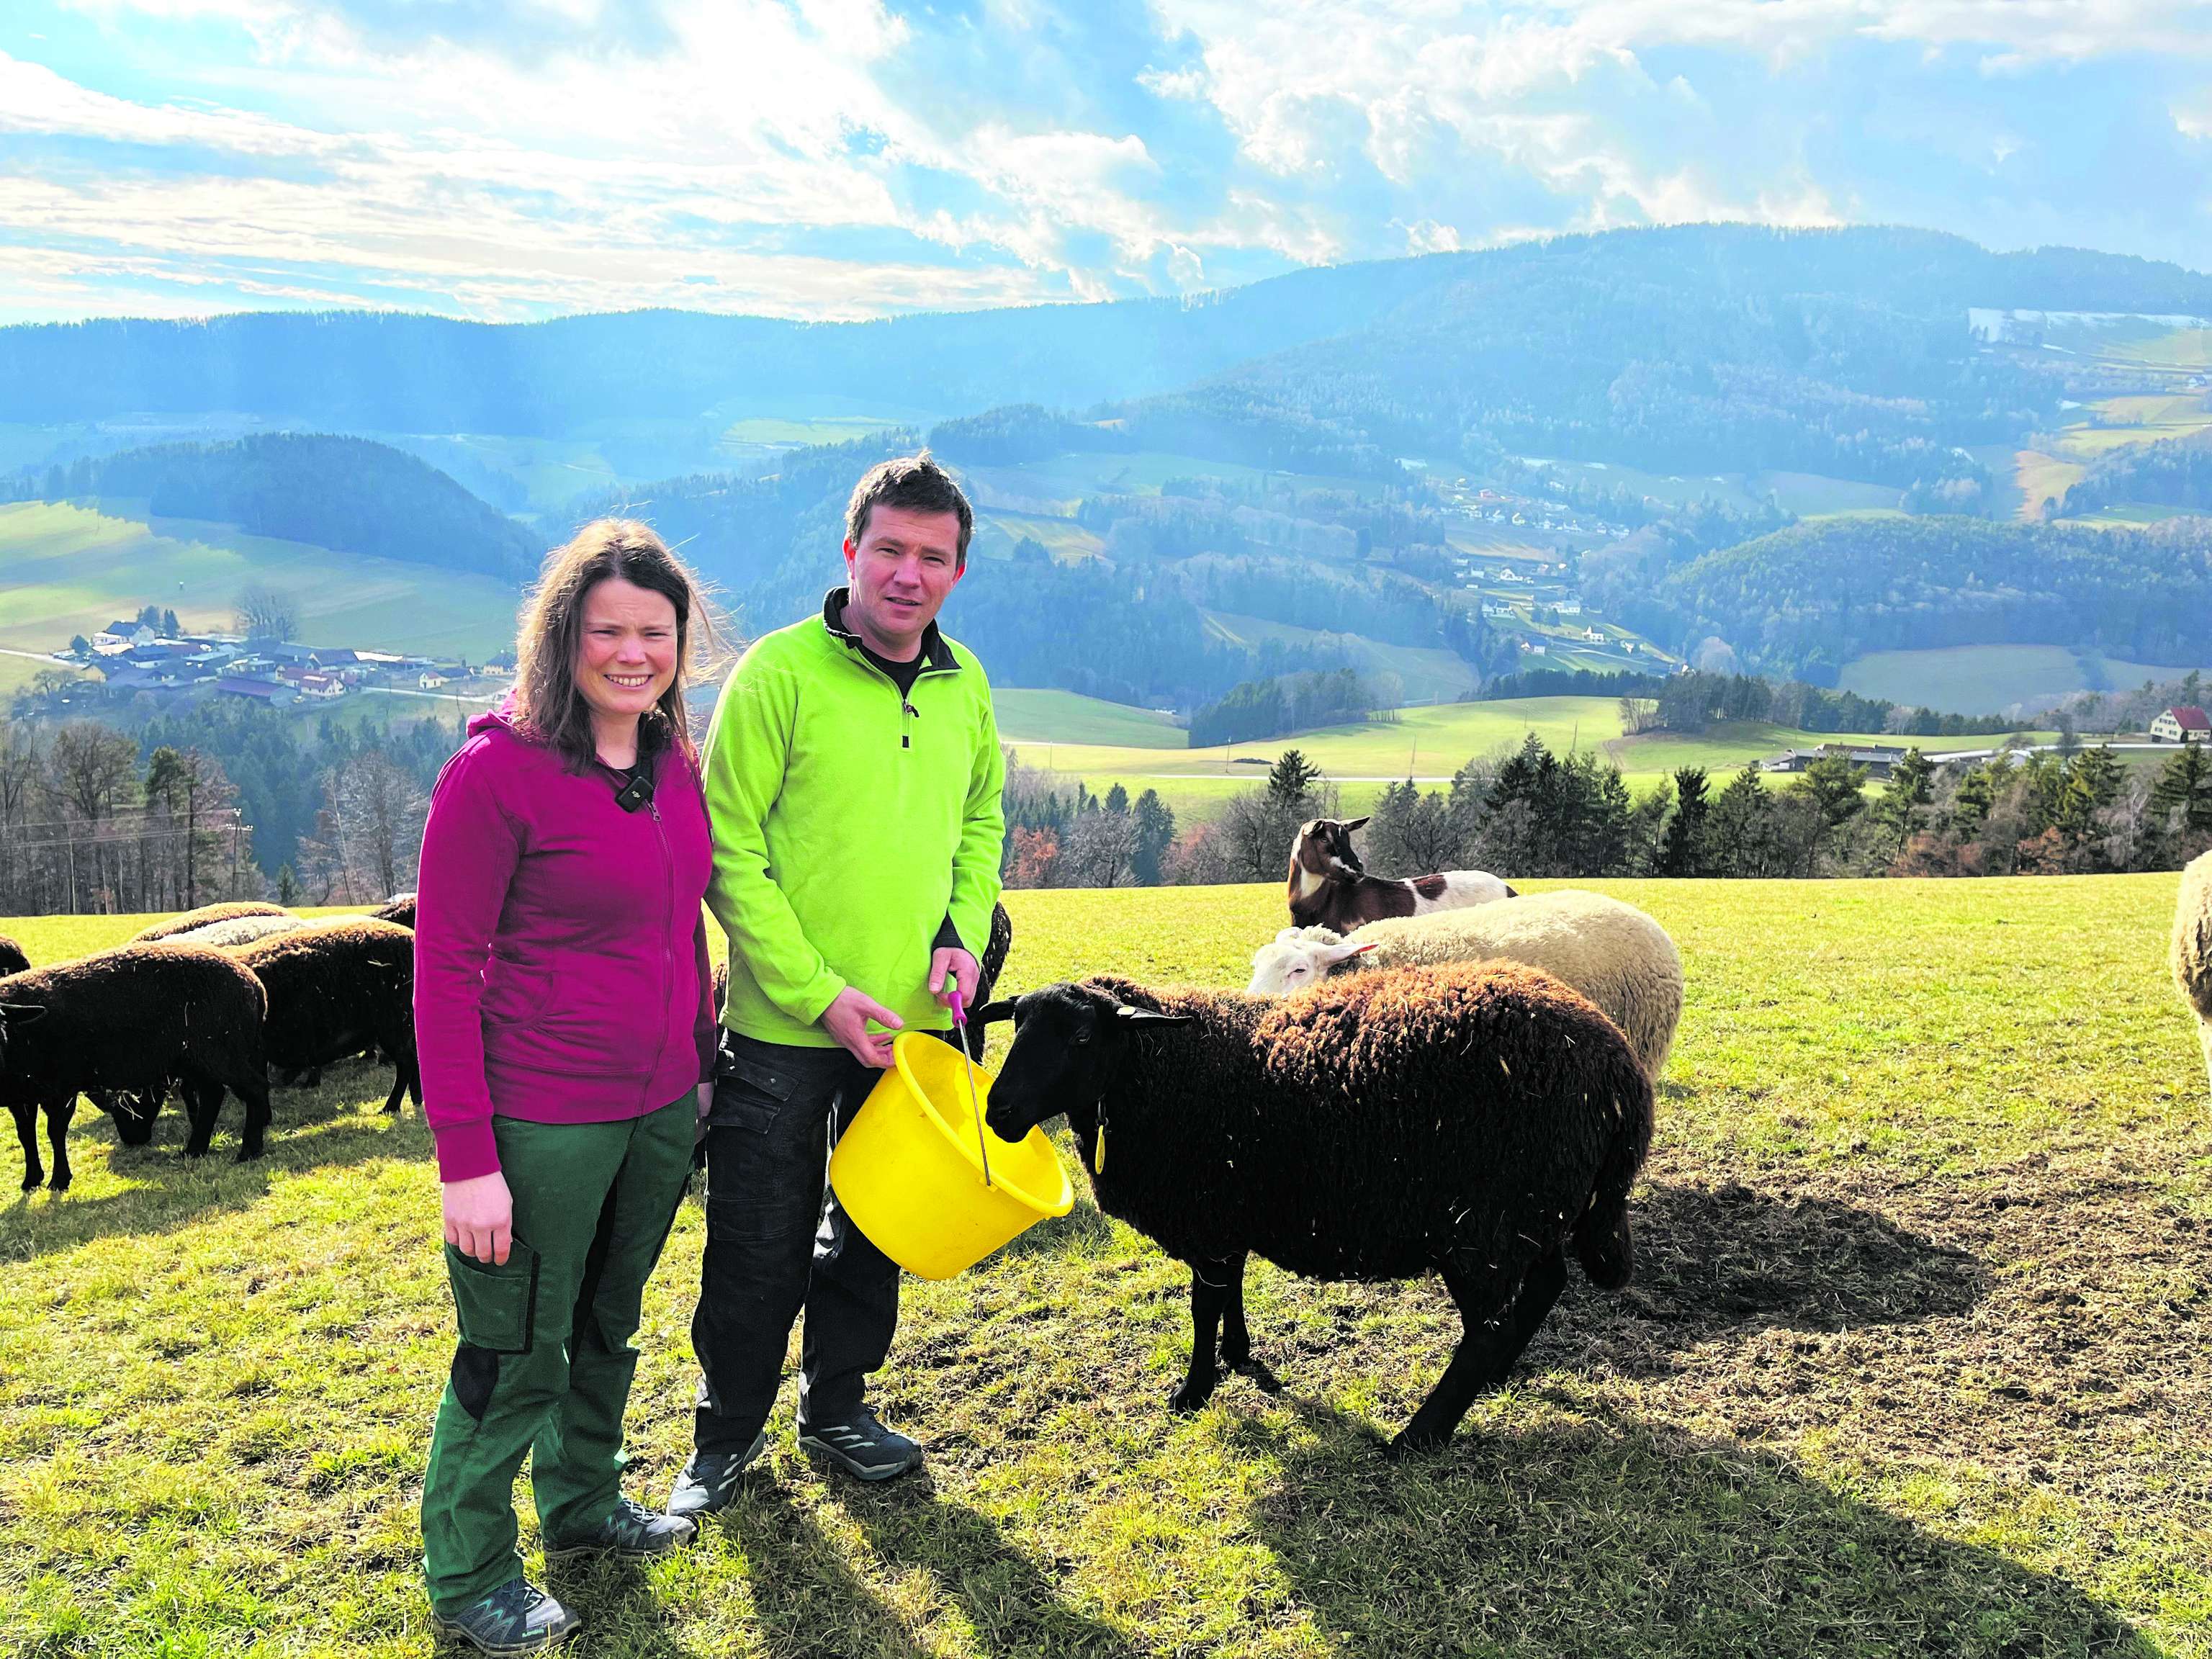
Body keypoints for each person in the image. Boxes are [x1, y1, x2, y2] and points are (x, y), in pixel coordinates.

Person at [672, 451, 1005, 1511]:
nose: (910, 574)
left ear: (957, 572)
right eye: (890, 549)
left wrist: (961, 933)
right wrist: (818, 993)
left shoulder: (966, 684)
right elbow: (728, 852)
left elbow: (981, 822)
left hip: (908, 1036)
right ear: (851, 550)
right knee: (757, 1242)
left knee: (872, 1233)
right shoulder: (776, 674)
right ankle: (724, 1437)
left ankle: (837, 1408)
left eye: (934, 558)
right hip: (783, 1029)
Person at [415, 521, 717, 1655]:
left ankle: (584, 1502)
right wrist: (467, 1161)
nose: (632, 654)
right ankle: (470, 1574)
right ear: (563, 637)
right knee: (514, 1349)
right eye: (607, 631)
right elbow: (443, 976)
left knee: (606, 1322)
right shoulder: (496, 774)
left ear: (680, 643)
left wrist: (696, 1069)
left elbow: (681, 929)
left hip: (657, 1109)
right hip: (538, 1120)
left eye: (655, 633)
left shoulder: (672, 764)